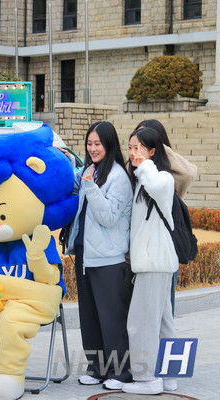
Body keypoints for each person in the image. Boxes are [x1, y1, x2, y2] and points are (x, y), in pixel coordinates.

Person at [66, 121, 133, 390]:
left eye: (98, 144)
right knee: (90, 317)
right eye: (89, 143)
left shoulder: (118, 177)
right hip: (85, 255)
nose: (92, 148)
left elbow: (108, 217)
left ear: (109, 145)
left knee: (111, 318)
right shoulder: (88, 170)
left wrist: (91, 187)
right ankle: (96, 369)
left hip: (109, 259)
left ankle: (120, 373)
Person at [122, 127, 178, 395]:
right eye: (131, 147)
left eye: (139, 148)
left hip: (153, 261)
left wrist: (145, 165)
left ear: (153, 151)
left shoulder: (163, 178)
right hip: (157, 261)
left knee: (140, 322)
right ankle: (170, 377)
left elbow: (156, 185)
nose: (133, 153)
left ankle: (147, 380)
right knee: (164, 322)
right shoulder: (141, 181)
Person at [135, 119, 197, 315]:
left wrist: (160, 148)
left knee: (164, 309)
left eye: (146, 140)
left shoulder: (168, 173)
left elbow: (189, 174)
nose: (140, 145)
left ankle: (164, 345)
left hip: (164, 245)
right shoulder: (136, 167)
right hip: (138, 249)